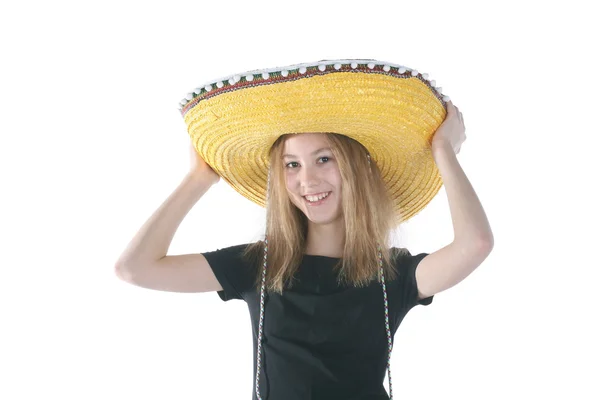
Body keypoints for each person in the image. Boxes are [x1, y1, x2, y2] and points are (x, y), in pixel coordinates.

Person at [115, 60, 494, 400]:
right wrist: (198, 178)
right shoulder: (260, 264)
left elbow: (474, 244)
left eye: (324, 159)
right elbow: (135, 268)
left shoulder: (393, 274)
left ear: (358, 168)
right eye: (291, 165)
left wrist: (443, 150)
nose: (307, 180)